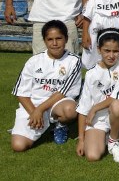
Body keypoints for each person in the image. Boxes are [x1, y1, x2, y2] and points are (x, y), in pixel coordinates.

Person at [11, 20, 82, 151]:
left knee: (70, 110)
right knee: (18, 146)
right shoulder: (34, 61)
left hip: (58, 104)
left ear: (66, 39)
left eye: (59, 38)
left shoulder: (74, 61)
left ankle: (60, 125)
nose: (54, 43)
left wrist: (40, 110)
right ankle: (35, 125)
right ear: (44, 41)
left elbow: (62, 92)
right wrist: (34, 112)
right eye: (50, 39)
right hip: (32, 107)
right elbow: (21, 93)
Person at [76, 28, 119, 163]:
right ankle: (104, 135)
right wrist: (81, 140)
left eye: (116, 51)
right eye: (107, 50)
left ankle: (113, 140)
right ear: (99, 49)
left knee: (118, 105)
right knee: (92, 156)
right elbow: (83, 108)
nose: (111, 55)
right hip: (98, 120)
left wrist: (95, 108)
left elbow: (117, 96)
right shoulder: (91, 74)